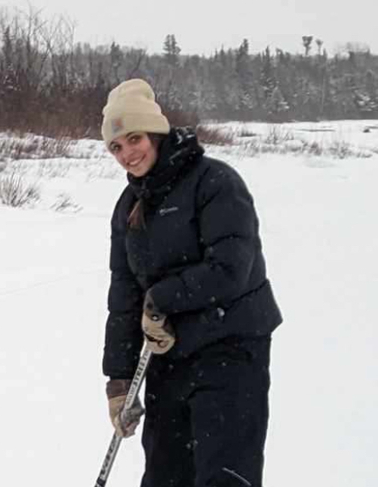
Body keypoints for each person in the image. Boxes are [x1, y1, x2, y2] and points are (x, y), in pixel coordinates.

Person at [100, 79, 282, 487]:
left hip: (230, 350)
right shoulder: (129, 207)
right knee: (166, 477)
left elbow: (232, 267)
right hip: (169, 360)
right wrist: (119, 380)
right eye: (116, 147)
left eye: (134, 138)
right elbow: (124, 296)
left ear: (156, 133)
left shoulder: (214, 182)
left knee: (224, 475)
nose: (127, 153)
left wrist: (161, 300)